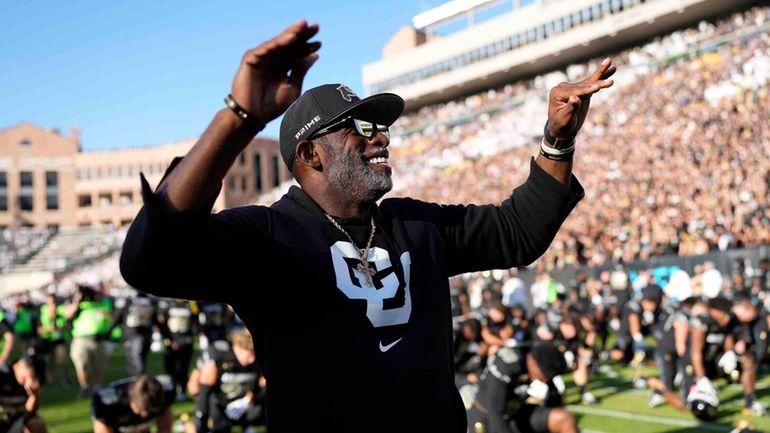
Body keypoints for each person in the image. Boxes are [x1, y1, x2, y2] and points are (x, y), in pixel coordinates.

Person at [120, 20, 615, 433]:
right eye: (359, 127)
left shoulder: (416, 224)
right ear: (310, 153)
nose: (381, 136)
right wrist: (241, 118)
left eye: (380, 126)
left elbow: (518, 232)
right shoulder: (265, 236)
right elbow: (153, 261)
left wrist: (557, 141)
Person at [466, 341, 575, 433]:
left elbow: (554, 403)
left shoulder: (540, 358)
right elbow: (496, 415)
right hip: (487, 417)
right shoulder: (507, 364)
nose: (545, 380)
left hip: (516, 414)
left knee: (564, 418)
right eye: (545, 374)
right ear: (533, 363)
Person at [189, 329, 264, 433]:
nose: (252, 360)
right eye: (249, 354)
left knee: (259, 411)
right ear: (237, 347)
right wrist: (201, 415)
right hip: (219, 402)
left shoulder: (256, 360)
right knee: (214, 424)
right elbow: (199, 388)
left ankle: (246, 426)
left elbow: (262, 384)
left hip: (244, 402)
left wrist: (248, 399)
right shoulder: (220, 355)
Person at [91, 374, 175, 433]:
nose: (145, 415)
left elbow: (165, 426)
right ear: (132, 402)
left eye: (150, 411)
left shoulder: (165, 392)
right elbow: (102, 428)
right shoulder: (107, 404)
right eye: (141, 410)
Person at [0, 356, 47, 433]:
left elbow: (29, 412)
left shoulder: (32, 385)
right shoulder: (3, 375)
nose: (31, 381)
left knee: (36, 424)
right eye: (28, 377)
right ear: (17, 367)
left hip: (13, 421)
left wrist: (34, 396)